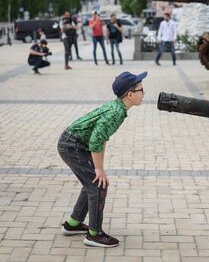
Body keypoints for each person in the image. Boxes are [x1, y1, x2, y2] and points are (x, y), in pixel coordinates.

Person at [58, 71, 147, 247]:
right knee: (98, 186)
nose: (144, 94)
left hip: (75, 144)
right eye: (141, 90)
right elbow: (96, 141)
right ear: (130, 95)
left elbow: (102, 138)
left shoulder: (118, 108)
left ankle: (73, 224)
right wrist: (99, 170)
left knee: (94, 182)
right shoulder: (115, 112)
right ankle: (94, 234)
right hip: (71, 146)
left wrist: (99, 168)